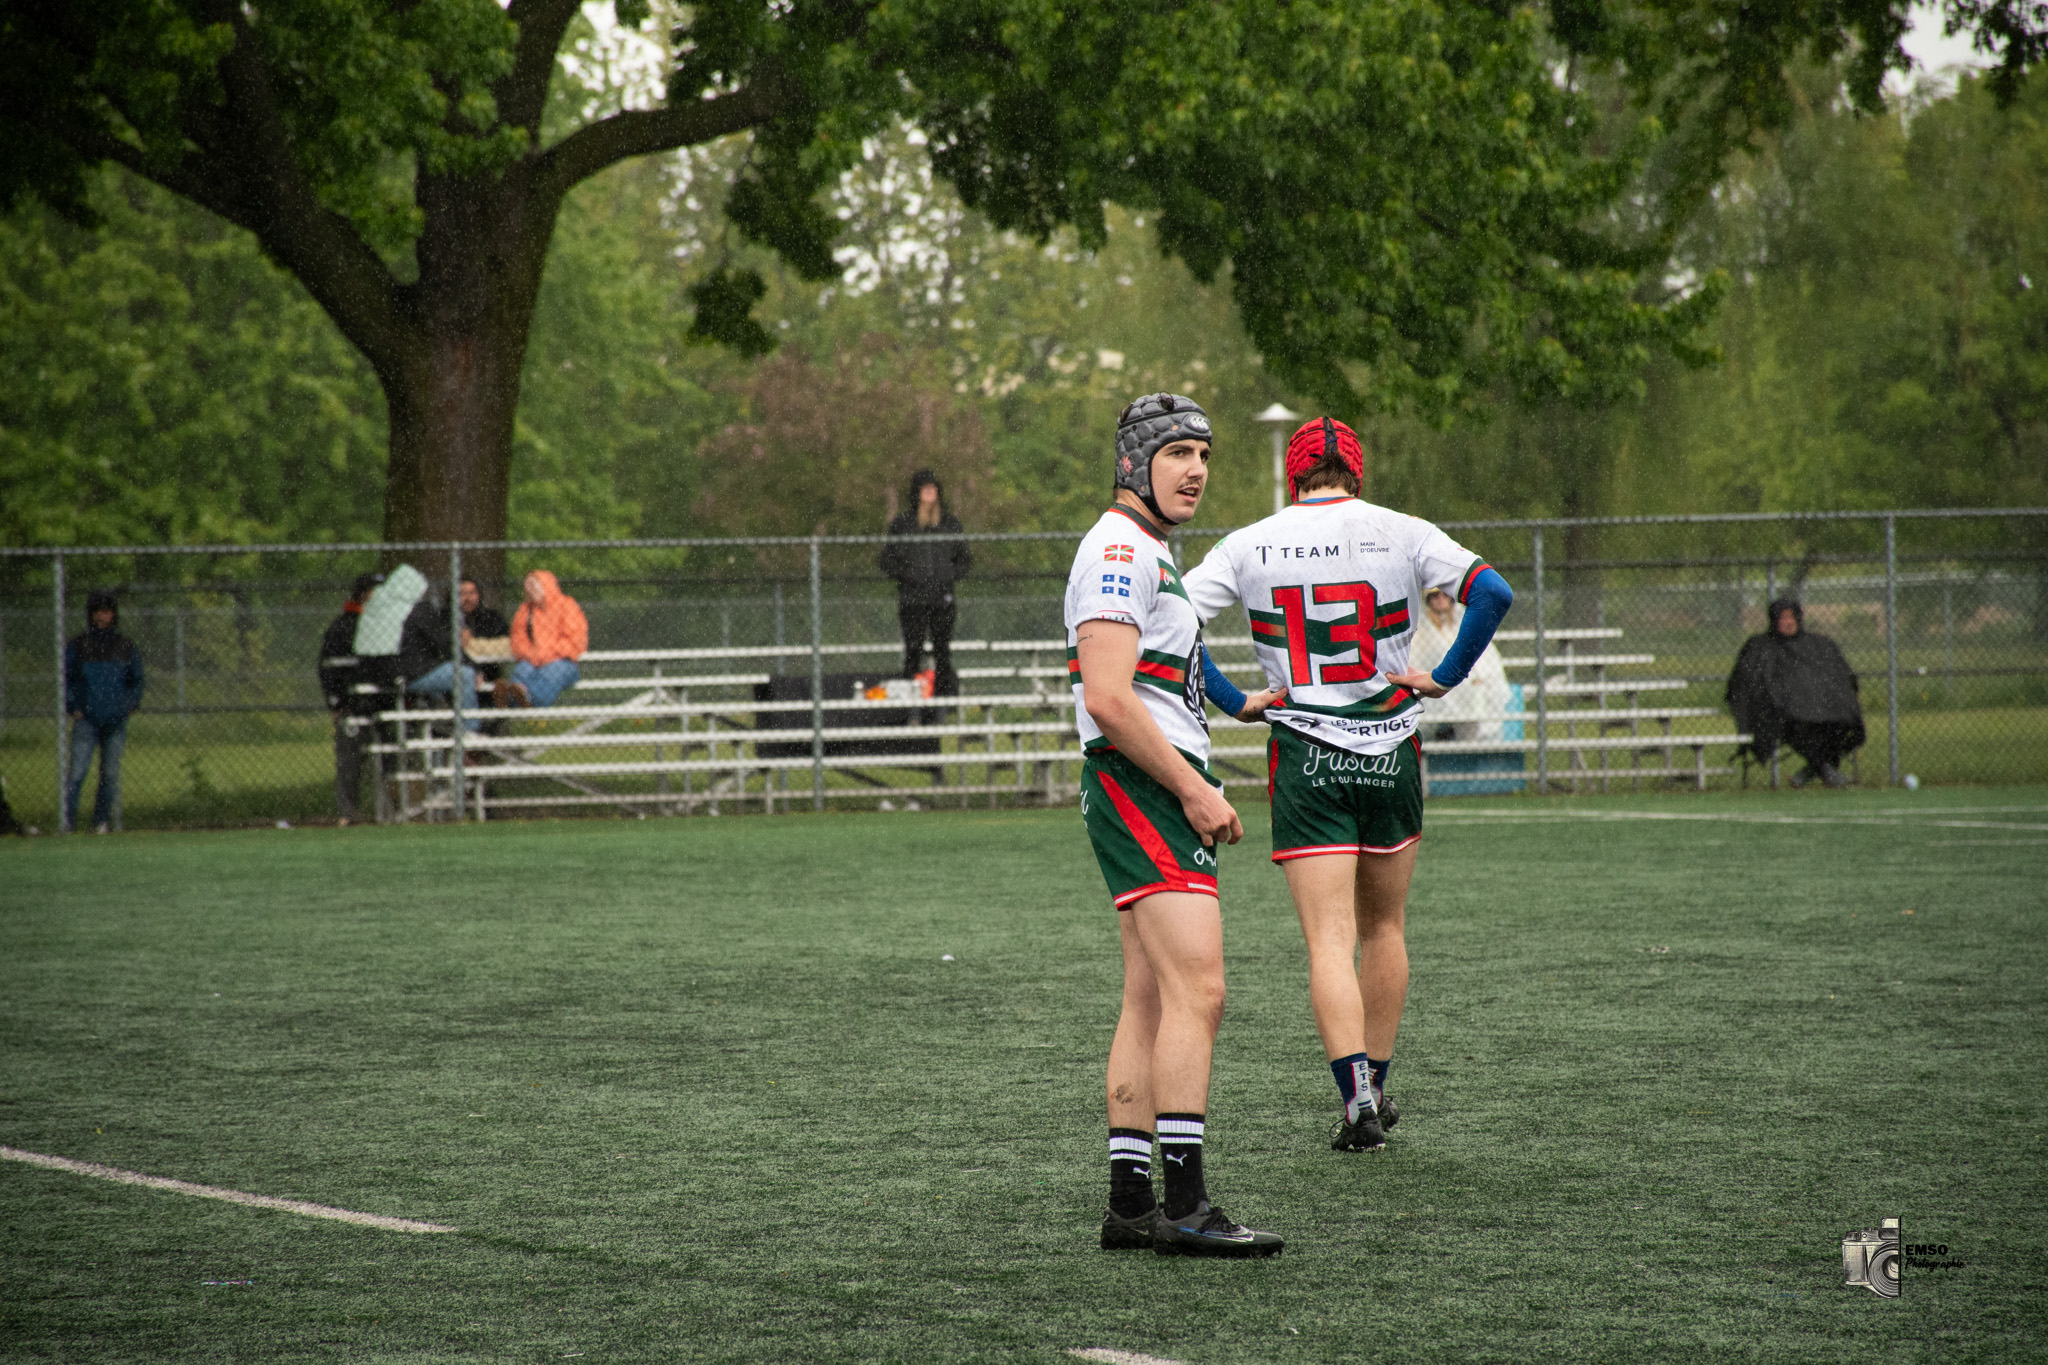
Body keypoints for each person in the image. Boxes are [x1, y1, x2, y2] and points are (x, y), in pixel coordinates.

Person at [1184, 417, 1513, 1153]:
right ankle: (1379, 1084)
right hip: (1392, 746)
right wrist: (1444, 676)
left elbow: (1166, 620)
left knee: (1328, 941)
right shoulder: (1404, 530)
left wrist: (1232, 697)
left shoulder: (1248, 543)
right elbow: (1493, 592)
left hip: (1306, 753)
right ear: (1355, 473)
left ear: (1293, 476)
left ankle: (1355, 1093)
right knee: (1384, 929)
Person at [1072, 392, 1287, 1258]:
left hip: (1143, 782)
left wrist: (1237, 705)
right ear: (1134, 464)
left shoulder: (1144, 549)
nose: (1196, 468)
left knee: (1152, 993)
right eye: (1177, 454)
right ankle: (1186, 1205)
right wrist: (1194, 790)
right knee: (1201, 990)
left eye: (1204, 453)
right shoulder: (1122, 547)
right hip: (1145, 786)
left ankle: (1131, 1202)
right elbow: (1110, 696)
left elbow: (1163, 669)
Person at [1726, 597, 1865, 787]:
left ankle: (1814, 770)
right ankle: (1824, 770)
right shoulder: (1760, 647)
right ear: (1774, 621)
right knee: (1796, 723)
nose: (1788, 622)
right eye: (1782, 618)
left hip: (1821, 708)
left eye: (1791, 617)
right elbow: (1746, 683)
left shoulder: (1818, 645)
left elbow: (1841, 675)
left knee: (1841, 721)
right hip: (1779, 713)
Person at [879, 470, 971, 696]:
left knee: (942, 652)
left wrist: (947, 575)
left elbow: (964, 559)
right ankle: (910, 705)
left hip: (942, 599)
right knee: (913, 651)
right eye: (925, 489)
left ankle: (941, 702)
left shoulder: (949, 524)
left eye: (933, 489)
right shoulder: (903, 525)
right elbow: (887, 560)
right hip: (913, 600)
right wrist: (909, 576)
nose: (930, 493)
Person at [63, 589, 146, 834]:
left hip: (115, 719)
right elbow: (68, 678)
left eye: (107, 611)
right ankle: (67, 821)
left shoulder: (125, 646)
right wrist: (74, 706)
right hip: (86, 719)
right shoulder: (79, 646)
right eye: (98, 611)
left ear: (113, 614)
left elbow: (136, 679)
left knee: (109, 774)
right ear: (91, 615)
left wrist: (131, 704)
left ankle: (100, 821)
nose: (103, 616)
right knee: (77, 772)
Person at [1407, 586, 1513, 742]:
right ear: (1428, 600)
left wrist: (1480, 675)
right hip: (1434, 684)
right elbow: (1420, 659)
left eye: (1445, 595)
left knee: (1482, 690)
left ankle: (1468, 744)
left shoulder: (1462, 623)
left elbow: (1484, 655)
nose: (1440, 598)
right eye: (1435, 595)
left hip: (1468, 684)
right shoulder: (1421, 630)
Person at [319, 571, 384, 823]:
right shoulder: (343, 627)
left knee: (396, 750)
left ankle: (395, 807)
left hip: (384, 702)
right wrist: (335, 703)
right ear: (363, 594)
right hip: (353, 705)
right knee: (350, 759)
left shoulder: (390, 625)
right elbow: (327, 668)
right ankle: (348, 813)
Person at [500, 570, 588, 708]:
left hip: (563, 661)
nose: (530, 589)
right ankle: (514, 698)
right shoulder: (525, 610)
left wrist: (546, 654)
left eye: (534, 585)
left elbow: (575, 640)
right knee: (523, 669)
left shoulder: (567, 605)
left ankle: (523, 698)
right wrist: (533, 654)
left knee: (553, 671)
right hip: (534, 660)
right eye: (527, 586)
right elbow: (517, 641)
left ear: (546, 585)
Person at [457, 578, 512, 687]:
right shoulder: (444, 618)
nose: (467, 598)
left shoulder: (491, 617)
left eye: (472, 593)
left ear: (479, 595)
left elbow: (506, 641)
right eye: (462, 593)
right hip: (460, 668)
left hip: (488, 670)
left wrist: (472, 643)